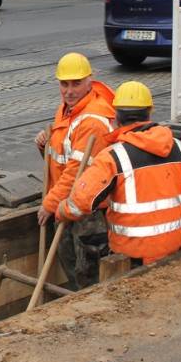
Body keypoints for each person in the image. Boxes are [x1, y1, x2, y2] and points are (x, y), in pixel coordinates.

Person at [58, 81, 181, 264]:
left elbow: (81, 202)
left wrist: (62, 210)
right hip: (175, 248)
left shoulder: (113, 157)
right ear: (150, 112)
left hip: (130, 256)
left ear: (116, 115)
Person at [35, 52, 114, 289]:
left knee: (88, 274)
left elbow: (76, 173)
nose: (69, 90)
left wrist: (49, 203)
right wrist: (45, 145)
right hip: (68, 202)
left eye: (76, 84)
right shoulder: (68, 109)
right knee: (69, 262)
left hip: (90, 210)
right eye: (64, 84)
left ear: (89, 81)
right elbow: (62, 159)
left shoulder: (92, 120)